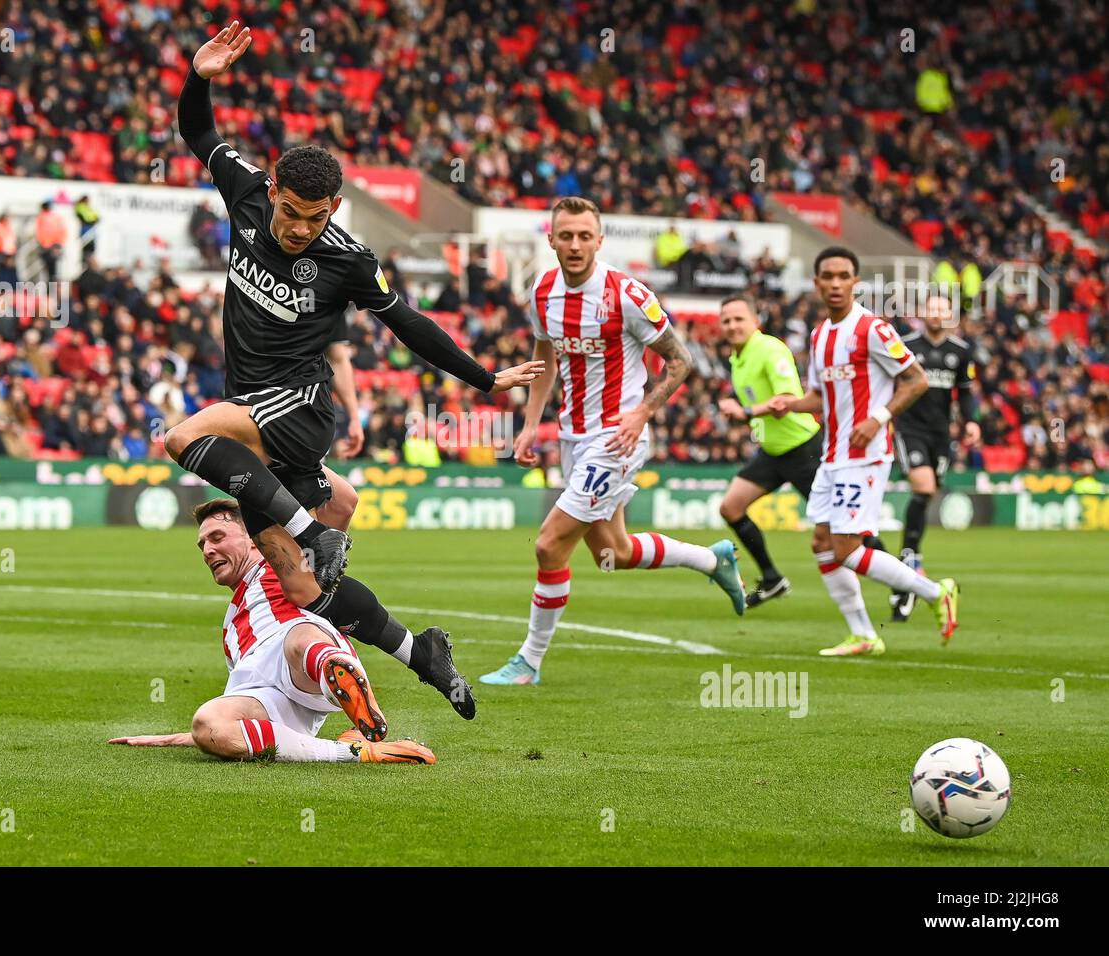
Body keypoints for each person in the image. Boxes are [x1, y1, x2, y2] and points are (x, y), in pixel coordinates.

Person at [164, 21, 542, 717]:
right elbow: (197, 133)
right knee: (301, 586)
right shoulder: (245, 192)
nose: (299, 227)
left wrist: (485, 380)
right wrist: (200, 76)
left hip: (299, 406)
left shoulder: (347, 258)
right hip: (254, 416)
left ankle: (318, 531)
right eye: (290, 211)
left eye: (314, 216)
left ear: (332, 207)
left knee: (181, 438)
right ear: (272, 189)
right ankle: (419, 652)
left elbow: (406, 324)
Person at [480, 197, 745, 687]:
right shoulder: (541, 291)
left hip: (617, 438)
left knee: (549, 544)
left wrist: (642, 413)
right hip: (572, 437)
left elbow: (681, 360)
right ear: (552, 239)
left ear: (600, 241)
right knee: (613, 554)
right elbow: (545, 358)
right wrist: (529, 424)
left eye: (585, 236)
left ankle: (529, 662)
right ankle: (713, 560)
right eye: (567, 235)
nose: (576, 244)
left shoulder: (627, 294)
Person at [108, 499, 435, 764]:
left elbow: (343, 503)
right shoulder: (230, 628)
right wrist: (190, 737)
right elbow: (238, 712)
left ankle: (352, 692)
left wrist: (293, 455)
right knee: (207, 722)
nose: (207, 550)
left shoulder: (284, 562)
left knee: (297, 638)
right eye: (202, 544)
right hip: (275, 700)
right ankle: (358, 750)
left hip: (305, 657)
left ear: (253, 536)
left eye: (217, 538)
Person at [765, 247, 959, 657]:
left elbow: (916, 379)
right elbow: (820, 397)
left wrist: (878, 417)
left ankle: (933, 591)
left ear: (856, 282)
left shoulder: (873, 329)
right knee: (821, 541)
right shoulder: (819, 336)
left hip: (866, 454)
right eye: (828, 277)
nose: (835, 284)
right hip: (832, 456)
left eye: (843, 276)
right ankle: (864, 635)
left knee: (846, 548)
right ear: (816, 283)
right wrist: (788, 404)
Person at [716, 293, 823, 605]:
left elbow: (787, 398)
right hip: (772, 452)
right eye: (727, 320)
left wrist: (745, 412)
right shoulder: (738, 357)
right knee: (730, 508)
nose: (732, 325)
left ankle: (901, 577)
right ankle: (772, 579)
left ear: (755, 322)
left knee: (843, 524)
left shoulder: (769, 349)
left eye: (739, 319)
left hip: (802, 449)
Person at [889, 294, 980, 621]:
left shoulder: (961, 350)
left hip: (941, 434)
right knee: (924, 488)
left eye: (943, 309)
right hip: (909, 428)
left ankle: (906, 566)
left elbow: (965, 392)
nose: (938, 314)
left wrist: (971, 421)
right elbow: (891, 380)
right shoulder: (905, 344)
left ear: (950, 314)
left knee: (926, 493)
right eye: (932, 308)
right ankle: (909, 558)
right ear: (922, 313)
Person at [35, 200, 66, 282]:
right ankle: (52, 291)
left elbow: (39, 233)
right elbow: (62, 231)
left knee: (47, 271)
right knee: (53, 272)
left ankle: (50, 291)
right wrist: (59, 245)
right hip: (54, 246)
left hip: (46, 247)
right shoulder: (56, 217)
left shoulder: (41, 217)